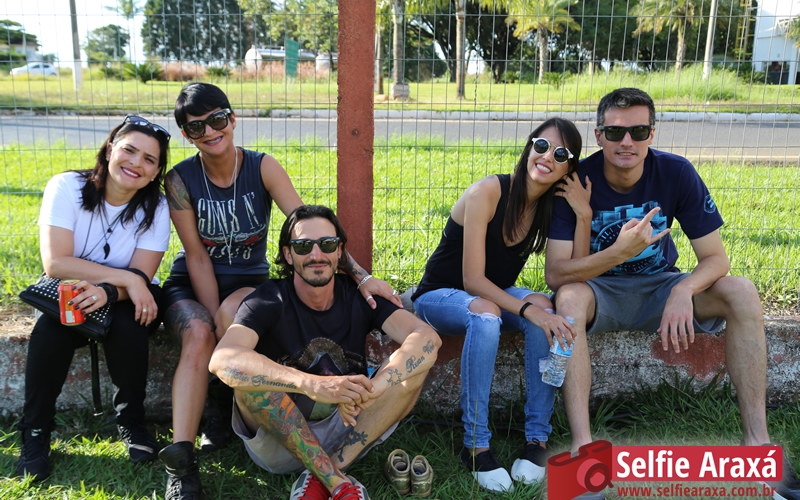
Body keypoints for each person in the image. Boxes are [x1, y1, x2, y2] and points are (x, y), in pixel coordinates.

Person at [545, 87, 800, 500]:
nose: (626, 142)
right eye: (615, 132)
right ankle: (584, 452)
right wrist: (618, 253)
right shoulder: (576, 181)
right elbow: (557, 275)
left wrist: (685, 287)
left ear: (652, 133)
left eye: (638, 131)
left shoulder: (676, 172)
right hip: (599, 290)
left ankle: (757, 446)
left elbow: (716, 259)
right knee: (569, 299)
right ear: (598, 135)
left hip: (662, 287)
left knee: (741, 291)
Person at [160, 82, 401, 499]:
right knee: (205, 331)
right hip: (195, 279)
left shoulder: (262, 167)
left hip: (249, 281)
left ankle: (229, 405)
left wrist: (361, 277)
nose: (210, 131)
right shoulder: (180, 180)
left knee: (232, 315)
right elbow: (196, 257)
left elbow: (306, 228)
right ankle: (186, 455)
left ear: (232, 118)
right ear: (186, 134)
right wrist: (215, 320)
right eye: (197, 127)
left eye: (217, 119)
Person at [208, 204, 440, 500]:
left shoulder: (358, 297)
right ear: (288, 254)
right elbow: (222, 359)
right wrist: (311, 384)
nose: (316, 255)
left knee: (413, 370)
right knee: (250, 381)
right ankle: (338, 484)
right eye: (304, 246)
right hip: (282, 436)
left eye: (327, 244)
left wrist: (375, 389)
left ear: (339, 251)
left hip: (349, 426)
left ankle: (327, 475)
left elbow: (426, 338)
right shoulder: (267, 299)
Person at [411, 118, 590, 492]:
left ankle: (537, 439)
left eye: (560, 154)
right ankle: (475, 445)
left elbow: (573, 272)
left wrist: (584, 215)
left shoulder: (548, 207)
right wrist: (528, 311)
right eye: (541, 146)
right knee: (491, 313)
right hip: (438, 296)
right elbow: (472, 281)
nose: (547, 157)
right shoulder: (488, 192)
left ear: (568, 168)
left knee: (545, 307)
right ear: (529, 146)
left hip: (489, 296)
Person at [15, 116, 172, 481]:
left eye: (149, 159)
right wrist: (125, 279)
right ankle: (35, 432)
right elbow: (56, 263)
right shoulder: (66, 187)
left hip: (124, 298)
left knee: (130, 325)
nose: (136, 163)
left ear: (156, 172)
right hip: (71, 289)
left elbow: (143, 274)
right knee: (50, 332)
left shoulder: (157, 207)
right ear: (110, 149)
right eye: (129, 150)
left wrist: (111, 290)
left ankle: (131, 422)